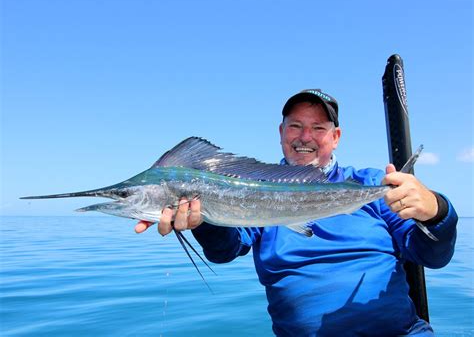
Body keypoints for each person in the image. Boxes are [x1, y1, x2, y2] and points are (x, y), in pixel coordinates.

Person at [135, 89, 458, 336]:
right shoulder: (253, 188)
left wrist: (437, 211)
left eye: (318, 127)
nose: (305, 137)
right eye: (296, 126)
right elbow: (224, 249)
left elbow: (432, 256)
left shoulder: (373, 183)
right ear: (281, 132)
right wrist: (203, 219)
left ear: (336, 137)